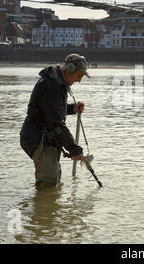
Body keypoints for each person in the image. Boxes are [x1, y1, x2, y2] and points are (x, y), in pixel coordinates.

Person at [20, 54, 90, 188]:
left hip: (45, 139)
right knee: (48, 184)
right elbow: (56, 123)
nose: (79, 81)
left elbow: (52, 111)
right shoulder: (51, 85)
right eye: (79, 76)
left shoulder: (56, 82)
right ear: (70, 69)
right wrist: (74, 148)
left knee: (54, 180)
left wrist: (72, 109)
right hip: (39, 140)